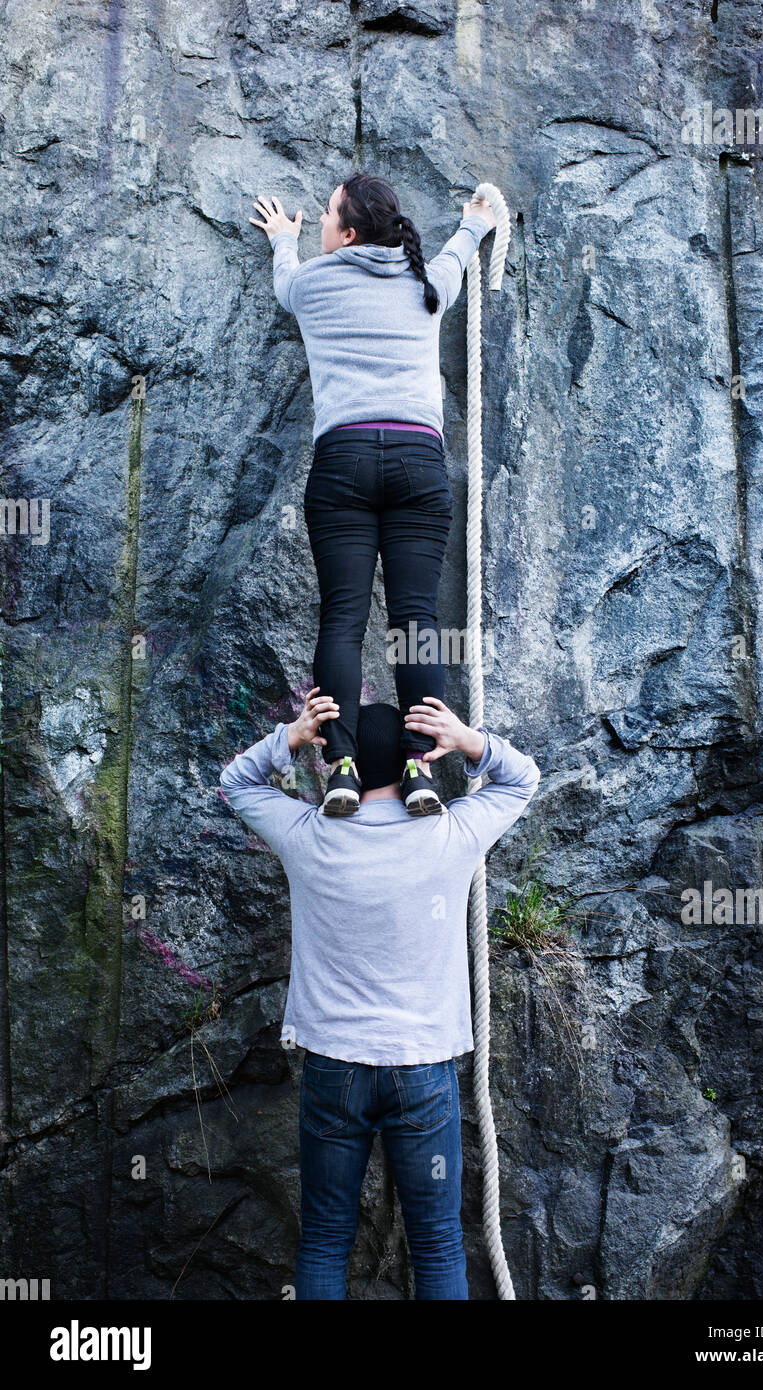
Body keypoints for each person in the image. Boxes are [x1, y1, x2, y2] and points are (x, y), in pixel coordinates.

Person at [218, 688, 540, 1299]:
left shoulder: (308, 835)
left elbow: (236, 783)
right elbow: (522, 780)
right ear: (415, 764)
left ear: (345, 763)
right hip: (422, 1068)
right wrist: (467, 740)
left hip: (334, 1067)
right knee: (439, 1243)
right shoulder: (450, 836)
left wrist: (293, 736)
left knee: (323, 1240)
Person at [249, 174, 497, 817]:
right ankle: (419, 766)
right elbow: (459, 254)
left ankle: (342, 765)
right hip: (418, 460)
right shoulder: (425, 282)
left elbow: (285, 285)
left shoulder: (314, 282)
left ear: (348, 234)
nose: (322, 223)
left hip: (344, 461)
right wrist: (474, 219)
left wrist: (283, 239)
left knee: (343, 618)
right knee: (415, 620)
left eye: (329, 215)